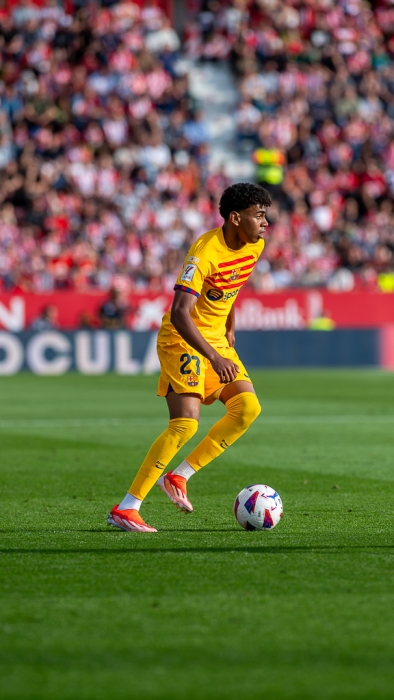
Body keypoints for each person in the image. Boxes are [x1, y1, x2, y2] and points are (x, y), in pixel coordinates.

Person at [108, 183, 272, 532]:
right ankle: (127, 507)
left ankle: (179, 477)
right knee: (185, 424)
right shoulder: (204, 252)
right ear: (234, 217)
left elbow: (231, 287)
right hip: (183, 339)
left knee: (248, 408)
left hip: (216, 339)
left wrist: (230, 324)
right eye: (258, 215)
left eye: (265, 215)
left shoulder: (254, 245)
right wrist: (213, 356)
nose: (265, 222)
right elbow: (181, 312)